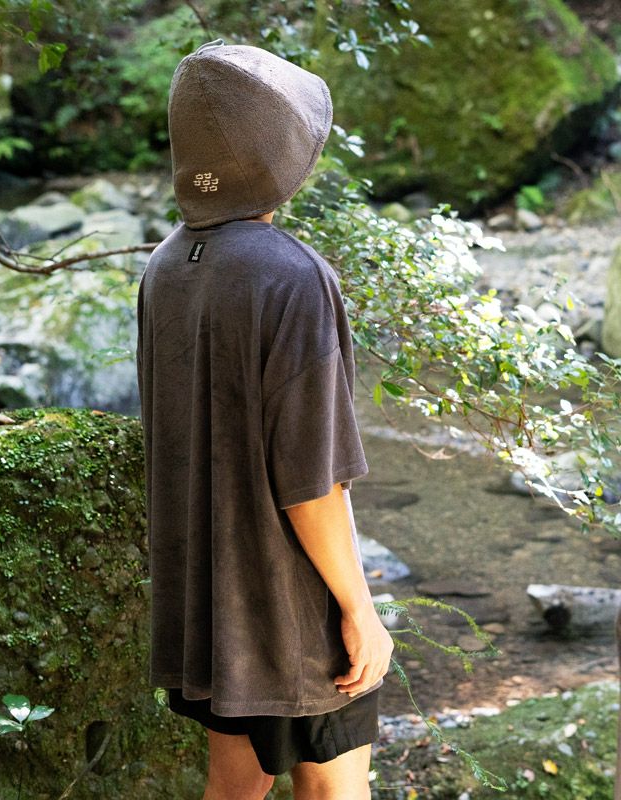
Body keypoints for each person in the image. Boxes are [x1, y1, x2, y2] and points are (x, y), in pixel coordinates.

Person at [135, 39, 394, 799]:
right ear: (279, 156)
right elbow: (313, 480)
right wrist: (359, 609)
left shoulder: (166, 267)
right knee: (336, 791)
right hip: (289, 609)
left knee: (232, 788)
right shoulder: (292, 276)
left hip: (212, 607)